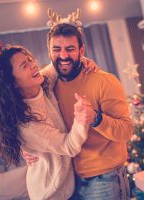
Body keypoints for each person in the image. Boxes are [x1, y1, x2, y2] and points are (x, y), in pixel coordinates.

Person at [0, 32, 99, 200]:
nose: (33, 65)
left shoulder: (42, 82)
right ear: (12, 83)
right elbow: (69, 146)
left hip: (71, 184)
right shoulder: (27, 124)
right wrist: (81, 117)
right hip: (51, 194)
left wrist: (83, 61)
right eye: (24, 66)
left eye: (30, 59)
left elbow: (59, 65)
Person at [24, 9, 133, 200]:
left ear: (81, 51)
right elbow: (37, 120)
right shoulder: (48, 85)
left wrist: (96, 118)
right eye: (57, 49)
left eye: (70, 49)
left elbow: (126, 130)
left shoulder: (104, 81)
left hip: (105, 179)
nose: (63, 55)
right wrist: (28, 148)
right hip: (71, 182)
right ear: (49, 51)